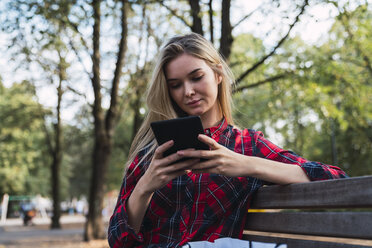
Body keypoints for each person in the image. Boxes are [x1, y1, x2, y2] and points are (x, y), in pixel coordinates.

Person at [108, 33, 348, 248]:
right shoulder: (153, 151)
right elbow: (118, 241)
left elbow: (335, 178)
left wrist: (247, 164)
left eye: (196, 77)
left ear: (218, 73)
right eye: (176, 85)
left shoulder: (247, 145)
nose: (188, 91)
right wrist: (144, 188)